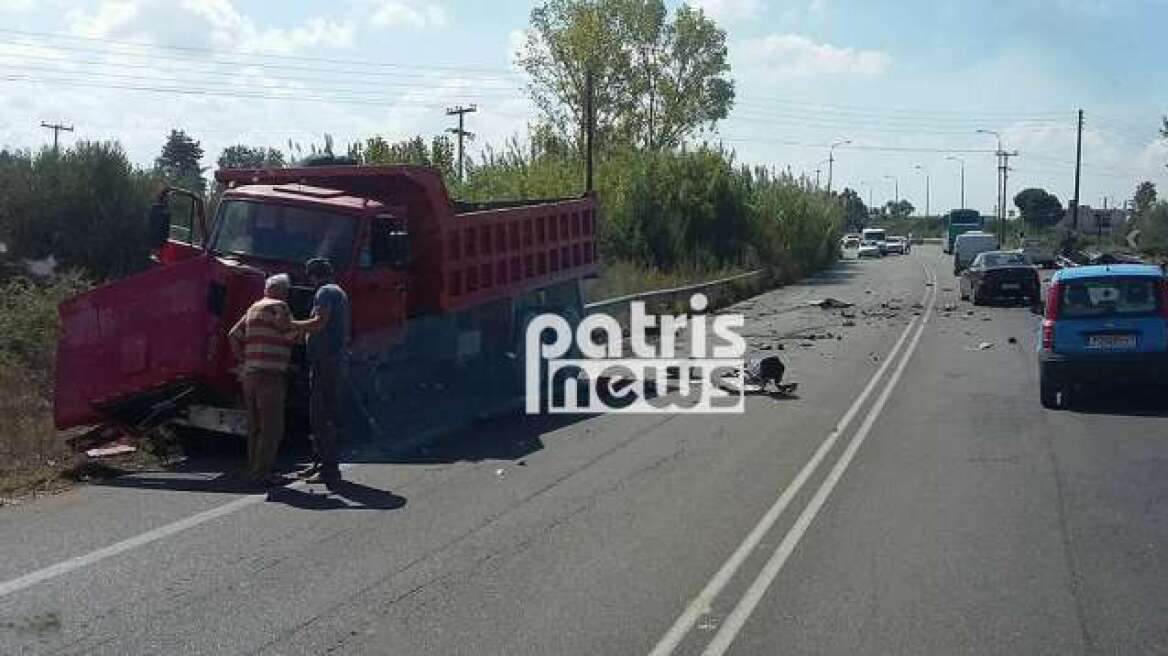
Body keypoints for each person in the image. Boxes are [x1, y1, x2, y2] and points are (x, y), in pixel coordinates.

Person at [227, 274, 313, 487]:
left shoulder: (253, 308)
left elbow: (232, 335)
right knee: (272, 427)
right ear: (283, 291)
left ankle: (253, 468)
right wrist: (312, 328)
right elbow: (293, 335)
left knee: (255, 424)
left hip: (250, 374)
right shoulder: (280, 307)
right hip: (270, 375)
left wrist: (244, 360)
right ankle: (263, 473)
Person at [299, 257, 352, 484]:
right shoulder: (336, 291)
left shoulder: (325, 293)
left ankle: (329, 468)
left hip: (327, 362)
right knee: (320, 413)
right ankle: (320, 462)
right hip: (331, 360)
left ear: (313, 276)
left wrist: (291, 325)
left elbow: (320, 322)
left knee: (322, 415)